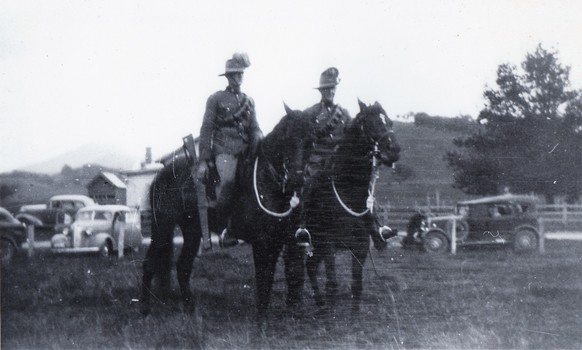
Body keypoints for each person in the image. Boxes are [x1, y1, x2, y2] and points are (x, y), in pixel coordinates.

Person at [197, 52, 263, 246]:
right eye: (235, 74)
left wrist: (259, 137)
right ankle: (224, 229)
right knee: (227, 182)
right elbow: (206, 128)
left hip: (246, 150)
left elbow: (255, 127)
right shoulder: (216, 99)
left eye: (241, 74)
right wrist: (204, 159)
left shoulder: (249, 101)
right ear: (228, 77)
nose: (238, 78)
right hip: (224, 148)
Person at [295, 67, 351, 245]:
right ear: (321, 91)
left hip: (338, 162)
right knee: (309, 185)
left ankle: (371, 226)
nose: (330, 91)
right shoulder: (311, 113)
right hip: (317, 160)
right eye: (327, 88)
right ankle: (302, 226)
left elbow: (350, 140)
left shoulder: (345, 115)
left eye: (333, 88)